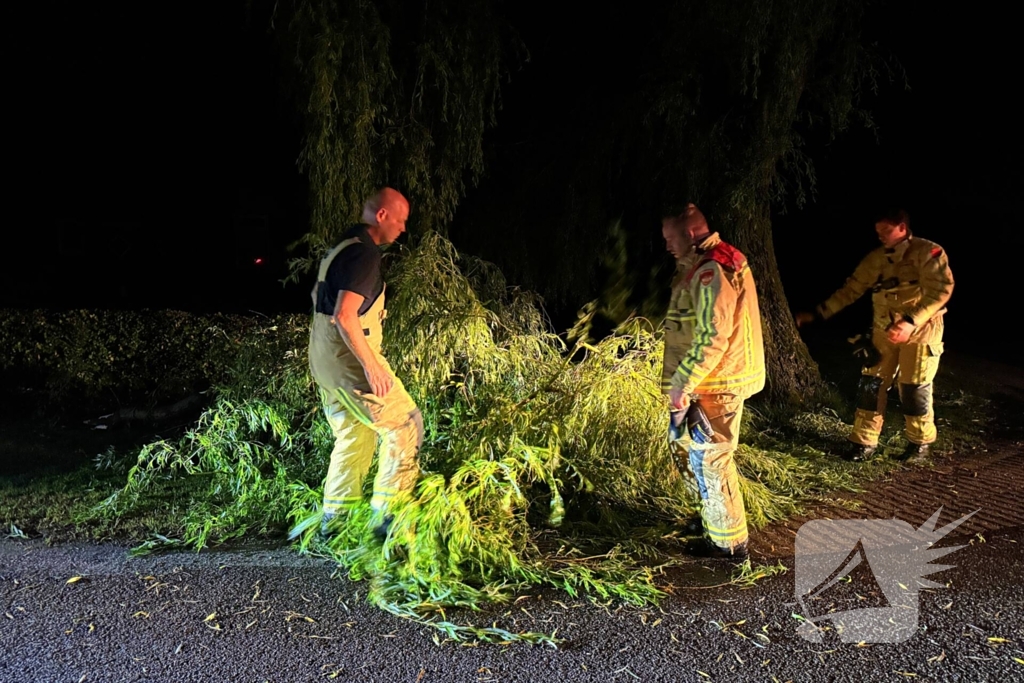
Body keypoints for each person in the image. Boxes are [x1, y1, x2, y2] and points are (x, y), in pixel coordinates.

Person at [796, 208, 954, 462]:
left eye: (886, 230)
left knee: (914, 387)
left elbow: (941, 289)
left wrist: (911, 322)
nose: (880, 236)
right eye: (878, 231)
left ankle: (919, 444)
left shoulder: (928, 252)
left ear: (902, 228)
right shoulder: (876, 258)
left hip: (921, 330)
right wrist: (819, 313)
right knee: (871, 384)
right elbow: (851, 289)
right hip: (884, 330)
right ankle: (864, 442)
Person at [308, 187, 422, 537]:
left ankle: (336, 523)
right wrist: (372, 367)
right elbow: (345, 316)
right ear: (382, 216)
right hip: (350, 361)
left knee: (354, 435)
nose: (403, 229)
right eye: (400, 220)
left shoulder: (343, 246)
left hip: (324, 360)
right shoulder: (365, 256)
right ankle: (389, 519)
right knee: (406, 424)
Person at [661, 204, 765, 561]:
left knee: (710, 460)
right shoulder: (709, 262)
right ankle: (710, 522)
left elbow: (712, 336)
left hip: (714, 385)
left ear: (690, 234)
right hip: (707, 383)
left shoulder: (712, 269)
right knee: (692, 455)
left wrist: (682, 384)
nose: (667, 246)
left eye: (671, 238)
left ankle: (727, 544)